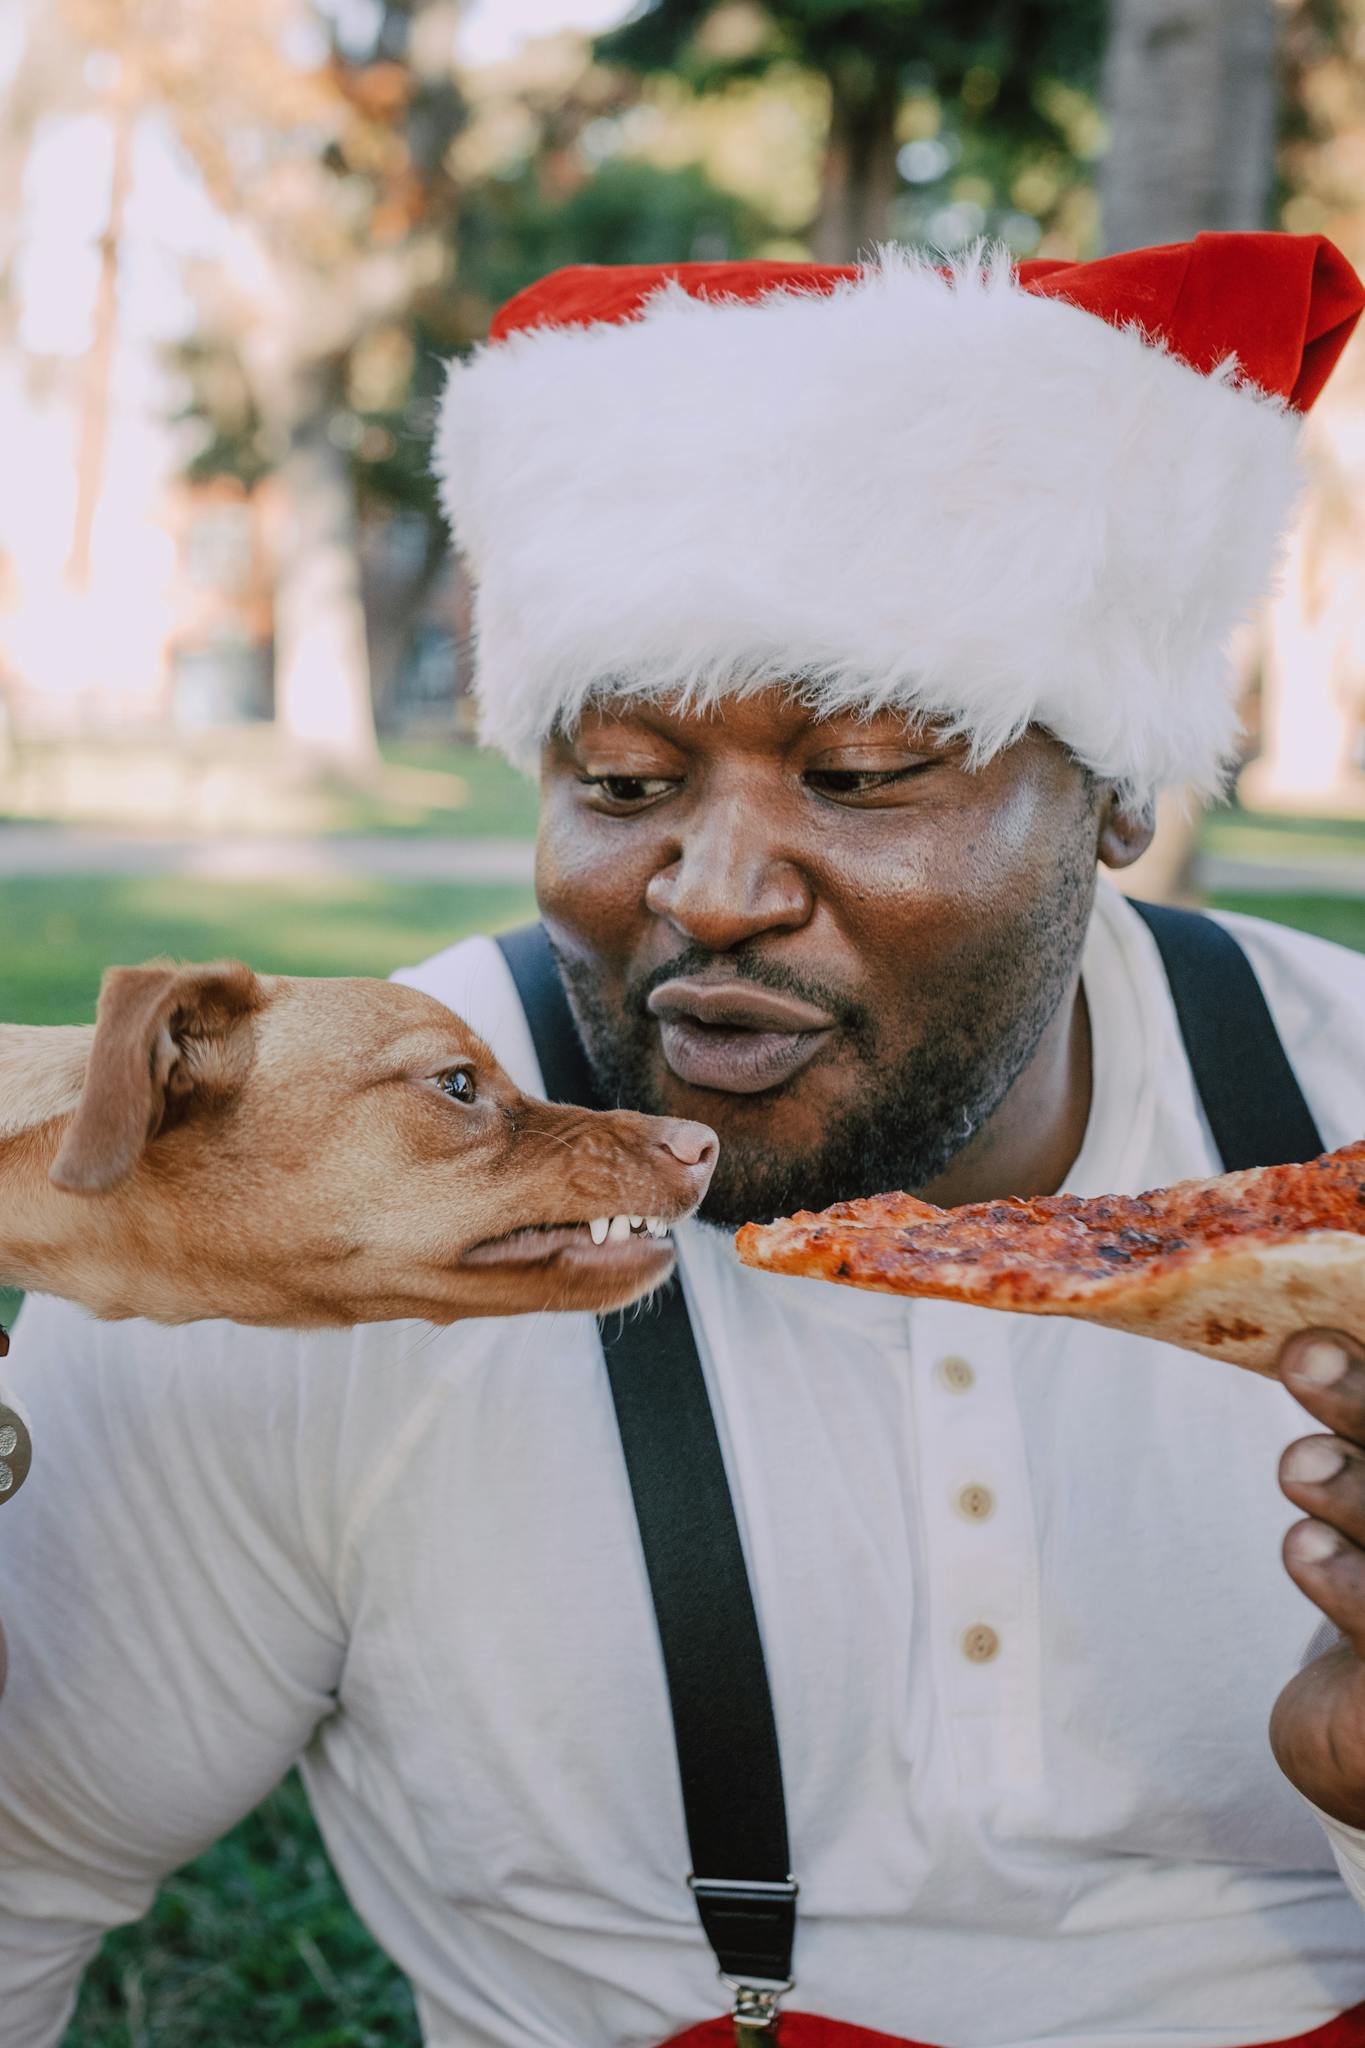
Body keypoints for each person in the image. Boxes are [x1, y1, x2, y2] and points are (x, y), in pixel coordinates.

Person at [2, 234, 1365, 2048]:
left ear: (1116, 788)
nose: (710, 893)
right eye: (624, 784)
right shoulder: (285, 1205)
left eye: (861, 772)